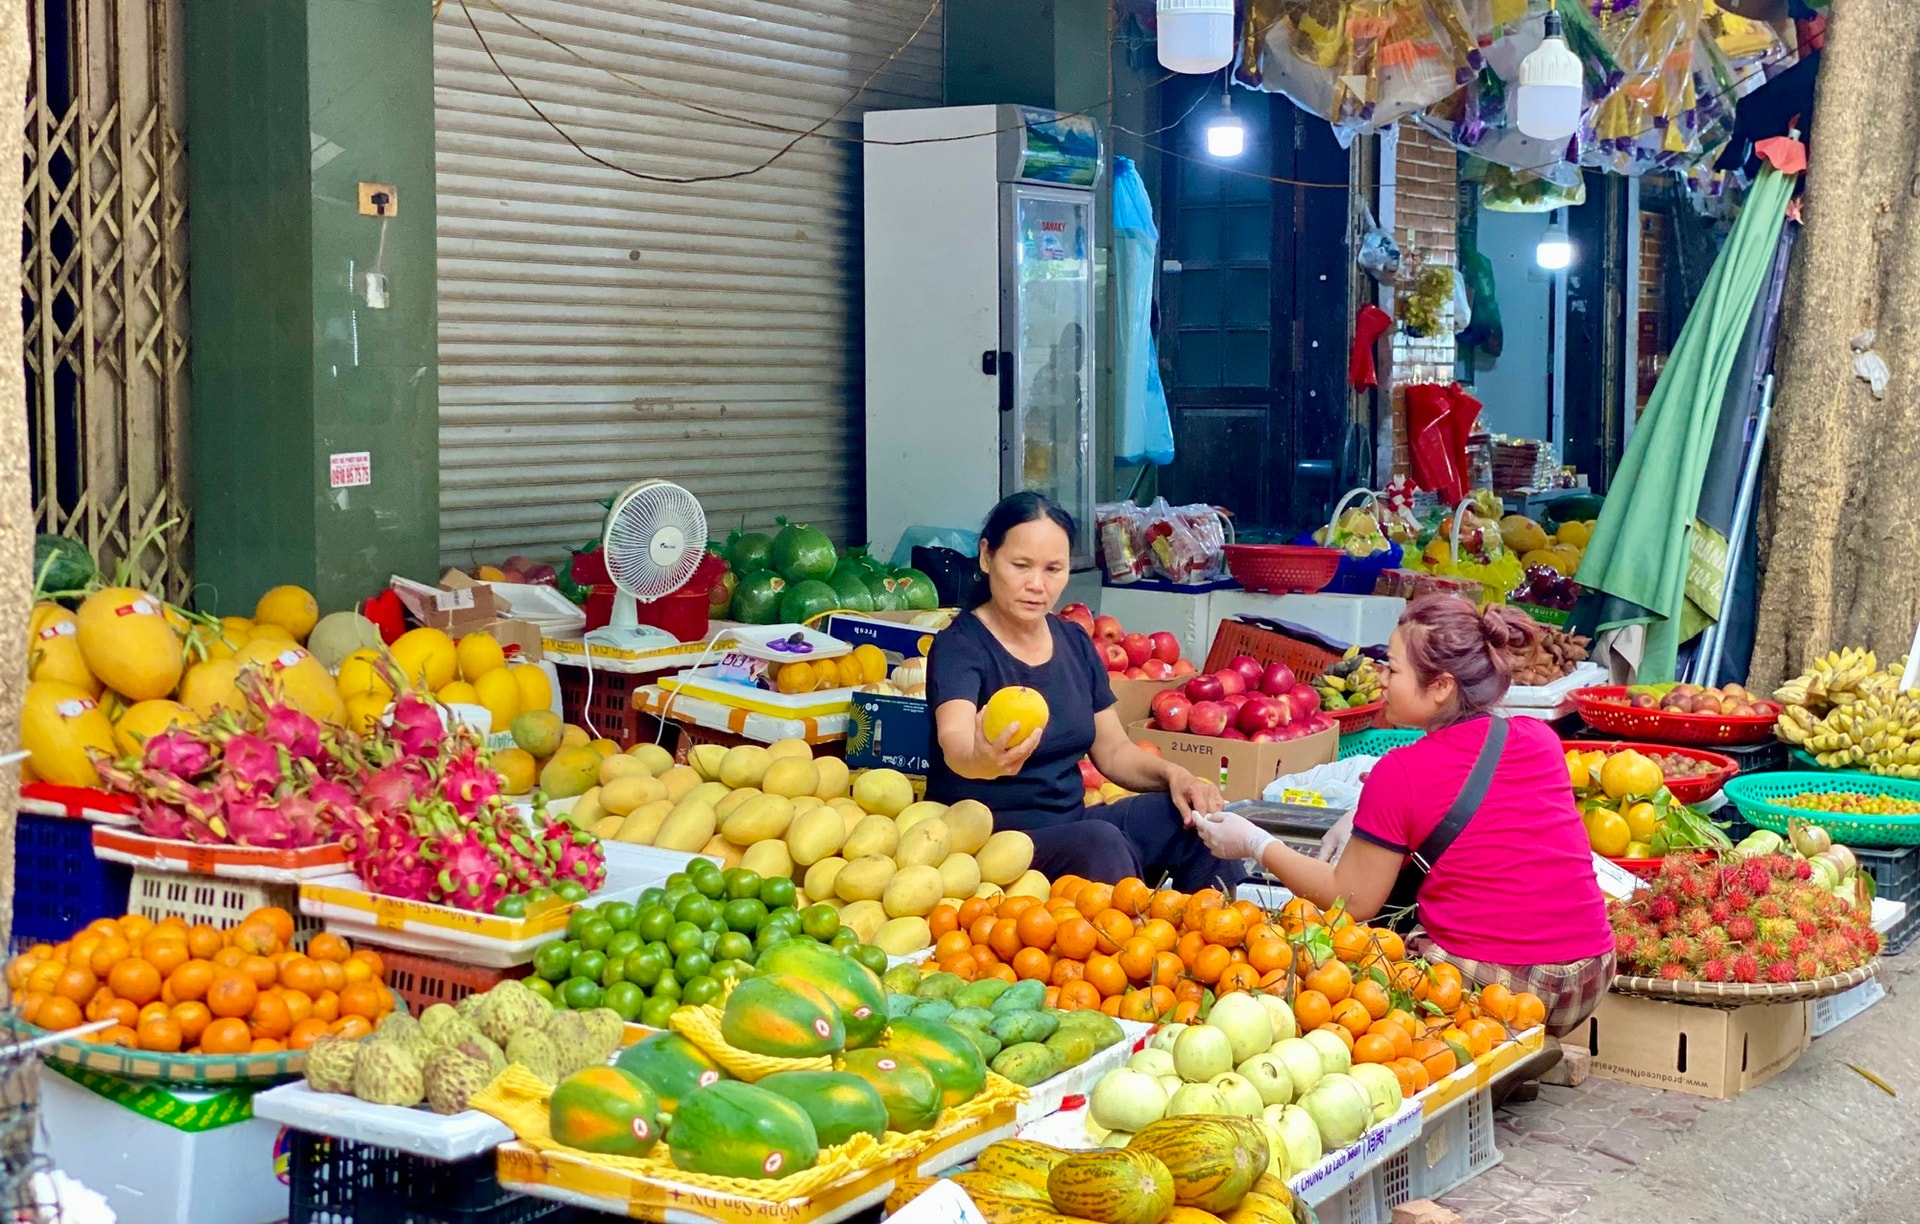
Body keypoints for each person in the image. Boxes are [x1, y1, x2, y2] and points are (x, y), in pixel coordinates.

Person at [1194, 595, 1614, 1037]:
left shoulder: (1402, 773)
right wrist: (1364, 810)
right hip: (1590, 974)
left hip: (1510, 991)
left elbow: (1351, 901)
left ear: (1442, 686)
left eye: (1393, 669)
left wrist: (1256, 842)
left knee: (1345, 977)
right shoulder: (1538, 737)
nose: (1380, 678)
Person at [926, 493, 1237, 892]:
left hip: (1071, 826)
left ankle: (1225, 924)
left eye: (1053, 569)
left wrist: (1176, 776)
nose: (1037, 585)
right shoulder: (960, 645)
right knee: (1099, 843)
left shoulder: (1073, 641)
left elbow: (1114, 752)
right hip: (995, 847)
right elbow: (954, 742)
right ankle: (1134, 931)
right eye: (1020, 566)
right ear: (987, 557)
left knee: (1196, 820)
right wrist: (980, 761)